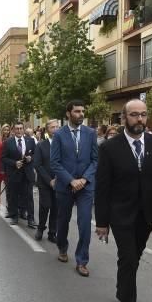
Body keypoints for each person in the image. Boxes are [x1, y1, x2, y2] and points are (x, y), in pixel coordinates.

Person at [95, 100, 152, 302]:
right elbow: (103, 187)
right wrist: (102, 222)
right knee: (128, 258)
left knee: (134, 257)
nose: (140, 119)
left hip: (146, 214)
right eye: (134, 115)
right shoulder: (110, 148)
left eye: (143, 115)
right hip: (120, 213)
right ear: (124, 118)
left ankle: (123, 288)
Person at [51, 100, 98, 277]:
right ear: (68, 114)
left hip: (85, 187)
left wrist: (84, 179)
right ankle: (62, 247)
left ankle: (82, 260)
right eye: (77, 111)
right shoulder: (59, 135)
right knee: (62, 221)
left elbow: (95, 160)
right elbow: (55, 163)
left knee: (85, 223)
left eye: (82, 111)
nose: (81, 114)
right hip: (65, 186)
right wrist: (71, 180)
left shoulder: (90, 133)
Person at [1, 122, 35, 227]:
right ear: (13, 130)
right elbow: (3, 158)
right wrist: (14, 163)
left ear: (24, 130)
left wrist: (31, 158)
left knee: (28, 197)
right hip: (14, 173)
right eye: (17, 129)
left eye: (21, 128)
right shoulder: (8, 142)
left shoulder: (31, 141)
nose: (19, 131)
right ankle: (14, 216)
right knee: (13, 196)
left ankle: (31, 219)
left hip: (27, 173)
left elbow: (35, 154)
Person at [32, 119, 58, 242]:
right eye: (53, 127)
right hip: (45, 182)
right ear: (47, 130)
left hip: (59, 182)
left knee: (56, 208)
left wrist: (59, 179)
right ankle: (40, 228)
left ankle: (53, 232)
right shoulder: (41, 145)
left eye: (57, 127)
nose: (56, 129)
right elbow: (38, 164)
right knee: (45, 206)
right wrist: (49, 181)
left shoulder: (64, 145)